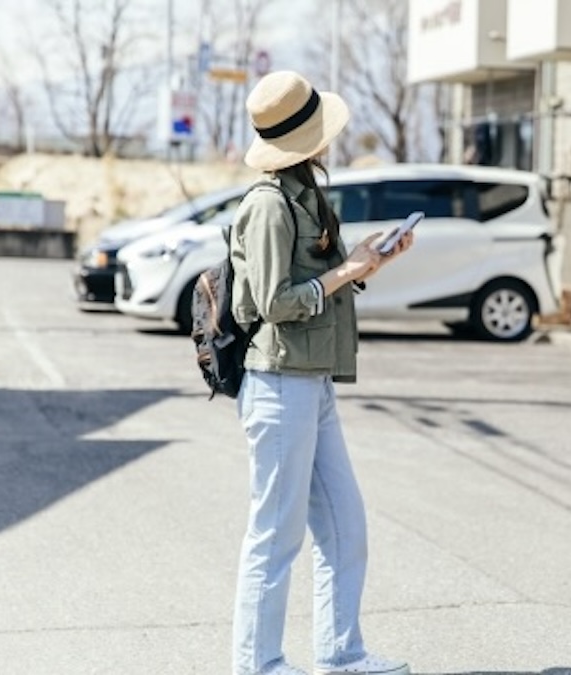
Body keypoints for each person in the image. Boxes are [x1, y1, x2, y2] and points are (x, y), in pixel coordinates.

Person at [229, 70, 414, 675]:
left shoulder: (305, 192)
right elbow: (274, 301)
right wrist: (344, 272)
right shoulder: (267, 205)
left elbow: (326, 280)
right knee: (275, 535)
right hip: (279, 382)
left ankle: (341, 653)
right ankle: (257, 666)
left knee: (344, 525)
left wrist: (370, 263)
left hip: (313, 379)